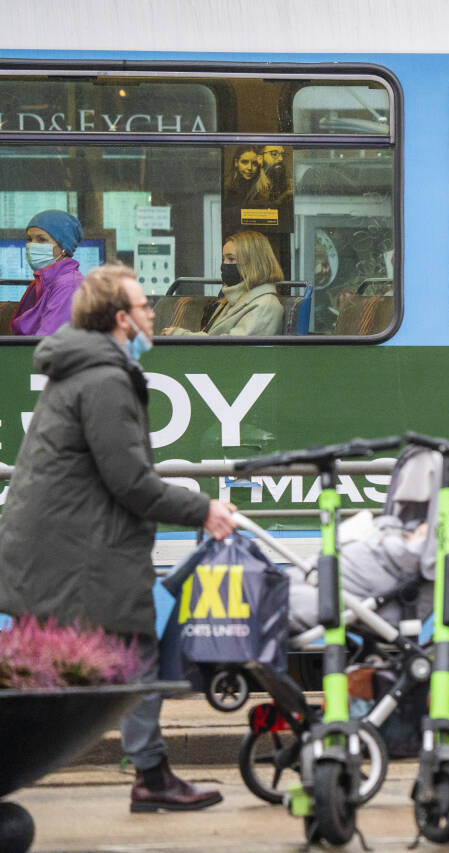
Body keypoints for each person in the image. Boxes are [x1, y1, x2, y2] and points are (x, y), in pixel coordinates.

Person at [0, 263, 239, 812]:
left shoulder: (87, 372)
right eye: (143, 306)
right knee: (115, 657)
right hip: (74, 552)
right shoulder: (105, 380)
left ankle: (152, 776)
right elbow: (131, 480)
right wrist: (204, 509)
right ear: (120, 319)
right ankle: (151, 777)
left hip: (66, 545)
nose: (153, 315)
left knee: (107, 661)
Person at [164, 231, 284, 336]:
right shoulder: (233, 299)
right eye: (223, 259)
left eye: (231, 259)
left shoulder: (265, 305)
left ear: (253, 263)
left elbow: (228, 348)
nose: (224, 265)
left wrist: (180, 335)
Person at [9, 210, 85, 336]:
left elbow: (49, 343)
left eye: (42, 240)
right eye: (29, 239)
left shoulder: (69, 285)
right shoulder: (43, 281)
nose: (32, 245)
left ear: (64, 247)